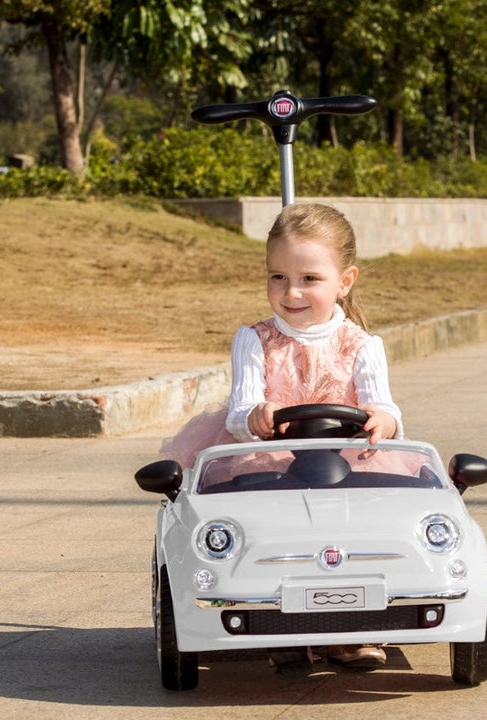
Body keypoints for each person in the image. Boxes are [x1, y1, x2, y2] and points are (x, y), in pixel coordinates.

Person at [161, 202, 403, 668]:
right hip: (269, 458)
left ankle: (352, 628)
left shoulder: (362, 345)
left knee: (355, 535)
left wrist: (383, 420)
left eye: (309, 278)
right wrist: (256, 416)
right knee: (270, 533)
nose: (291, 292)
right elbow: (240, 411)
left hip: (346, 462)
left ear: (345, 281)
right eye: (278, 277)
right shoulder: (255, 340)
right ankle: (279, 622)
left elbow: (385, 406)